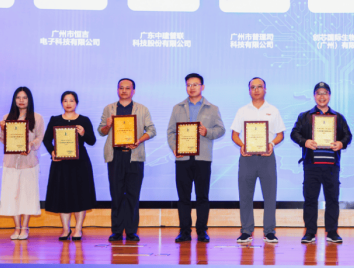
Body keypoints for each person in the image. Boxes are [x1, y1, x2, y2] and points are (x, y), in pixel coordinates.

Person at [290, 82, 352, 244]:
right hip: (311, 165)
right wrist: (305, 141)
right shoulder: (305, 116)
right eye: (319, 93)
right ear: (314, 96)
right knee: (310, 199)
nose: (322, 96)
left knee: (332, 199)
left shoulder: (338, 117)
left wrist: (341, 143)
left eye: (325, 93)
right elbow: (294, 133)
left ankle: (332, 232)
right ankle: (310, 232)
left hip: (332, 166)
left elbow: (348, 135)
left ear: (329, 96)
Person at [167, 73, 226, 243]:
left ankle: (202, 231)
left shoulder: (212, 108)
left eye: (195, 84)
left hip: (203, 158)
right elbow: (170, 132)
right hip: (182, 159)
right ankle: (184, 231)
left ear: (202, 87)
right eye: (188, 85)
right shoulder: (177, 108)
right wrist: (174, 148)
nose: (191, 88)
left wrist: (207, 132)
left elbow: (221, 130)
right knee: (183, 197)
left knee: (202, 197)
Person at [98, 78, 156, 242]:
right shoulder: (109, 108)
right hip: (115, 156)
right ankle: (116, 231)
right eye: (121, 88)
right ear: (117, 90)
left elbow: (152, 130)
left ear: (133, 91)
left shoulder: (142, 109)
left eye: (127, 88)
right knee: (116, 195)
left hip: (134, 156)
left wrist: (139, 140)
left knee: (133, 194)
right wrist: (108, 125)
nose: (124, 90)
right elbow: (101, 131)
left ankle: (131, 231)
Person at [230, 77, 285, 244]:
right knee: (245, 195)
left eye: (259, 86)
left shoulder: (273, 110)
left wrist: (271, 144)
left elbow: (280, 134)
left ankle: (269, 231)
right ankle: (246, 231)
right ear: (249, 91)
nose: (256, 90)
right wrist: (242, 145)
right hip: (247, 158)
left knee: (270, 195)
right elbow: (235, 135)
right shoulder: (242, 111)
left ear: (265, 89)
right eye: (252, 87)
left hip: (267, 158)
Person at [42, 91, 97, 241]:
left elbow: (92, 141)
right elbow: (46, 140)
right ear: (62, 103)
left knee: (80, 196)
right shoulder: (55, 120)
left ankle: (78, 229)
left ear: (76, 103)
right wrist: (52, 151)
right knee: (63, 195)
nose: (68, 103)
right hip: (61, 163)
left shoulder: (84, 120)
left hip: (80, 163)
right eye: (65, 100)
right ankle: (66, 229)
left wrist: (83, 133)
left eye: (71, 100)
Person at [0, 87, 44, 240]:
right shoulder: (7, 117)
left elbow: (39, 138)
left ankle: (25, 227)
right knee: (13, 195)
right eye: (18, 97)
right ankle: (17, 227)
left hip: (29, 163)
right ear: (14, 100)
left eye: (25, 97)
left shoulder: (37, 118)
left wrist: (30, 145)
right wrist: (3, 129)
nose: (21, 100)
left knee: (27, 195)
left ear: (29, 100)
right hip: (11, 163)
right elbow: (3, 140)